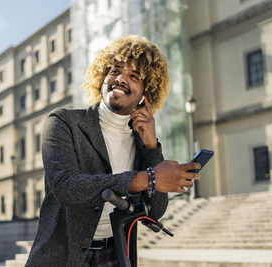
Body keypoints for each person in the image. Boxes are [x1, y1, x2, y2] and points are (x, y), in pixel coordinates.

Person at [26, 35, 200, 267]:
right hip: (62, 258)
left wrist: (151, 147)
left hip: (116, 254)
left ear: (146, 93)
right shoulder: (63, 122)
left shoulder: (142, 141)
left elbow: (155, 211)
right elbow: (67, 187)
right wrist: (147, 179)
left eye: (133, 76)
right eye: (115, 70)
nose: (120, 79)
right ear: (102, 77)